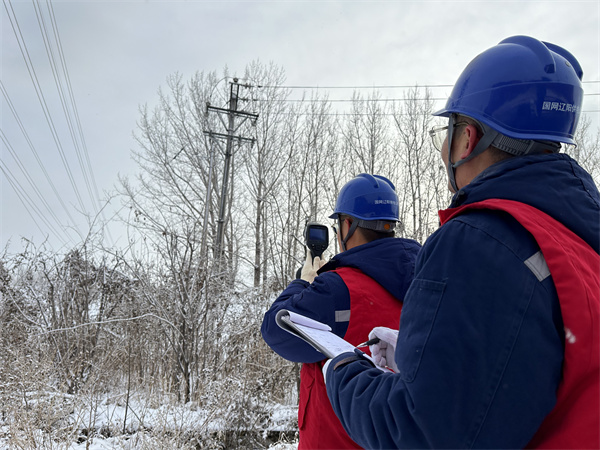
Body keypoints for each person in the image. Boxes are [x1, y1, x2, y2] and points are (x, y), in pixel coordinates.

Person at [324, 35, 600, 449]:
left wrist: (343, 370)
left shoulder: (478, 242)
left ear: (468, 138)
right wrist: (432, 356)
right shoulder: (579, 239)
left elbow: (419, 433)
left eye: (446, 134)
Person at [261, 173, 421, 449]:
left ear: (347, 225)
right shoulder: (426, 279)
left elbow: (276, 330)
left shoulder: (336, 289)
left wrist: (303, 281)